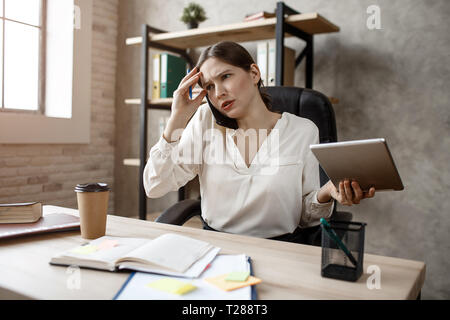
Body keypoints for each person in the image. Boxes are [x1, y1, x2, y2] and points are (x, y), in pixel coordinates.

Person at [143, 41, 375, 245]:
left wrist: (328, 192)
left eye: (225, 77)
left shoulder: (302, 130)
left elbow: (305, 217)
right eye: (210, 87)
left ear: (254, 73)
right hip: (216, 248)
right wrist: (177, 119)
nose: (219, 93)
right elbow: (155, 186)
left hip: (280, 250)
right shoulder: (206, 121)